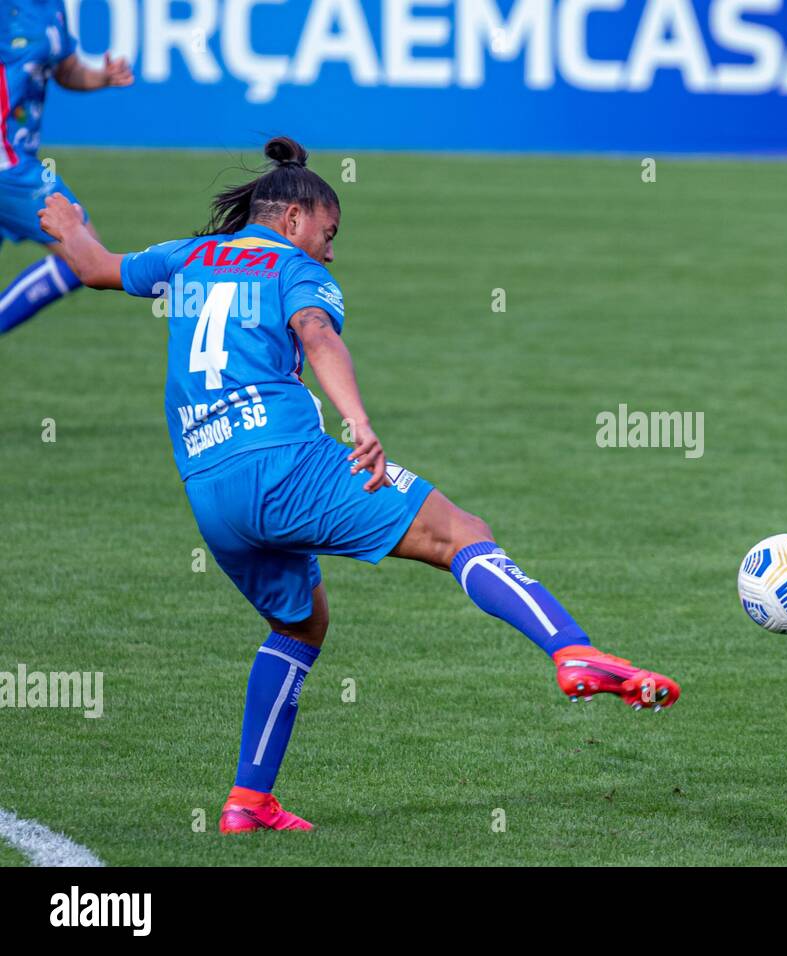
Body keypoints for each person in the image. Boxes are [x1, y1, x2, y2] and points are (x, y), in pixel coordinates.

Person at [38, 137, 680, 834]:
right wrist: (360, 421)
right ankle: (571, 649)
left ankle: (248, 802)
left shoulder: (185, 256)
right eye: (329, 232)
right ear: (293, 219)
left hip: (210, 491)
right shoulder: (292, 267)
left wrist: (72, 230)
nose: (332, 250)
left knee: (300, 622)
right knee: (461, 533)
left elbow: (99, 269)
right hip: (286, 464)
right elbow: (316, 336)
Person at [0, 0, 132, 335]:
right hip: (7, 165)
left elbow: (66, 69)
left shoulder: (52, 6)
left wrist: (102, 77)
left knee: (83, 255)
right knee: (83, 251)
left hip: (19, 158)